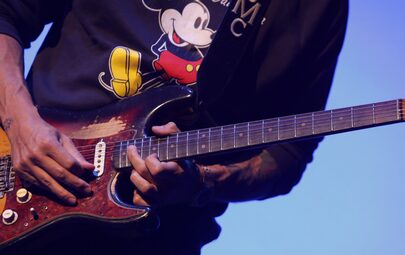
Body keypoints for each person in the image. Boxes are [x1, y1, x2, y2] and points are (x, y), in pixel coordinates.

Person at [0, 0, 348, 254]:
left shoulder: (317, 8)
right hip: (23, 182)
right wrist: (21, 124)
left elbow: (287, 154)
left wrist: (200, 182)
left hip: (161, 235)